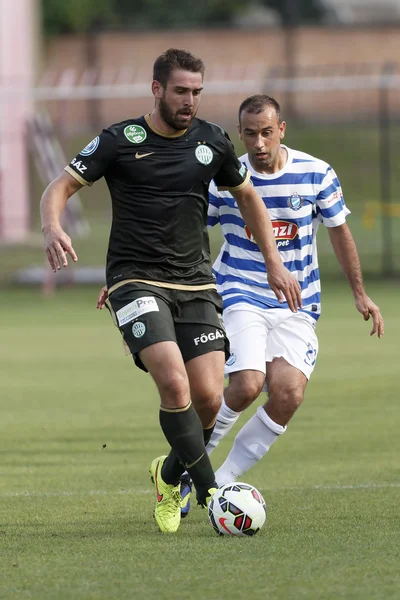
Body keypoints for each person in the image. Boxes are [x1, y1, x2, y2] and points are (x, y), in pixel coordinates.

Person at [40, 52, 301, 534]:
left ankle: (168, 474)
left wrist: (273, 260)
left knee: (208, 397)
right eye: (181, 91)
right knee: (175, 385)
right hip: (135, 279)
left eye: (197, 92)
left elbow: (249, 198)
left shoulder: (212, 141)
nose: (190, 101)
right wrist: (52, 226)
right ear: (157, 89)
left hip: (196, 282)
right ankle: (211, 493)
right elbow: (60, 186)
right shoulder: (120, 140)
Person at [203, 93, 384, 489]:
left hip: (297, 303)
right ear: (240, 134)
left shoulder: (316, 172)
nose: (259, 144)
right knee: (247, 384)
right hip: (239, 292)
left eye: (267, 132)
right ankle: (188, 473)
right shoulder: (225, 178)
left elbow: (339, 231)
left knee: (288, 394)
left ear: (281, 129)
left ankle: (222, 480)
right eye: (250, 134)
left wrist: (360, 293)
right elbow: (187, 228)